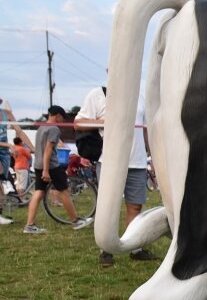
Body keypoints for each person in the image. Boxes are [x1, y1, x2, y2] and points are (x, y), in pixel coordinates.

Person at [75, 86, 158, 266]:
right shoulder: (98, 94)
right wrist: (104, 121)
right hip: (110, 161)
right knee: (108, 207)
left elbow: (143, 130)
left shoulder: (139, 96)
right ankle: (106, 250)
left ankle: (135, 247)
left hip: (137, 161)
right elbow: (78, 122)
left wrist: (152, 157)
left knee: (135, 206)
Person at [22, 106, 93, 234]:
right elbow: (49, 149)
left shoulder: (41, 127)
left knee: (38, 192)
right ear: (57, 115)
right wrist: (46, 170)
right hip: (51, 166)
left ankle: (29, 225)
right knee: (64, 191)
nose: (62, 119)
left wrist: (42, 168)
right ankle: (75, 220)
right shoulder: (54, 129)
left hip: (38, 164)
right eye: (62, 117)